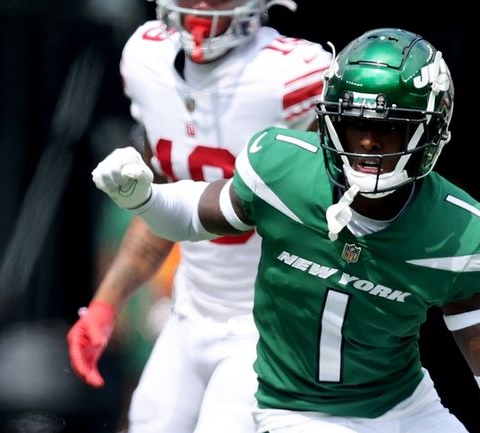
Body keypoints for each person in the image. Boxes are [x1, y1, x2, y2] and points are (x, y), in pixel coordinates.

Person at [90, 28, 480, 433]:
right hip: (297, 411)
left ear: (429, 132)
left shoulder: (454, 232)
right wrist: (144, 198)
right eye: (354, 124)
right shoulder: (282, 169)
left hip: (406, 408)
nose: (367, 141)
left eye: (388, 128)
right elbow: (193, 215)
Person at [66, 1, 332, 432]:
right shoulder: (145, 60)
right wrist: (103, 305)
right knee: (147, 421)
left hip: (268, 324)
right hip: (189, 310)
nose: (203, 5)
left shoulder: (297, 75)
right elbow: (163, 211)